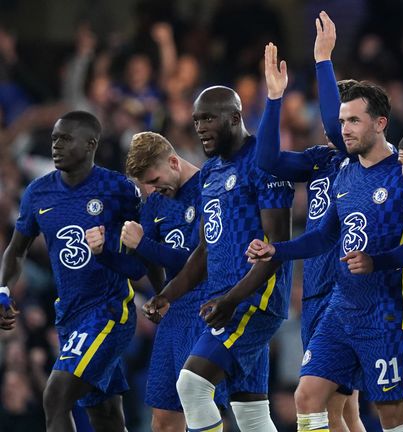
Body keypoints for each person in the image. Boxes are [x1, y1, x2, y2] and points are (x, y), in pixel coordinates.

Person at [237, 82, 403, 432]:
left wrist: (377, 261)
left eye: (353, 121)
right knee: (308, 397)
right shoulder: (343, 172)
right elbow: (324, 236)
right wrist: (276, 250)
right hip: (339, 309)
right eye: (342, 122)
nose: (343, 129)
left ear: (380, 123)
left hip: (384, 312)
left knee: (392, 415)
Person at [142, 86, 294, 432]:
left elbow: (277, 246)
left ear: (236, 117)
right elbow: (205, 249)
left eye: (209, 117)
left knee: (192, 386)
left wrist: (232, 299)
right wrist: (168, 294)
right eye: (196, 120)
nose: (200, 127)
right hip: (226, 300)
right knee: (250, 411)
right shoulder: (210, 173)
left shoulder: (264, 162)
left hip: (255, 299)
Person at [0, 110, 145, 432]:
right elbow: (16, 249)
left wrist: (163, 293)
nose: (56, 145)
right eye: (54, 139)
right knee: (104, 413)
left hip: (109, 310)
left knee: (56, 396)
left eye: (65, 139)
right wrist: (3, 291)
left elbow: (147, 241)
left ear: (91, 144)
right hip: (69, 315)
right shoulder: (38, 192)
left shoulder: (118, 189)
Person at [255, 21, 365, 431]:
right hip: (317, 294)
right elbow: (267, 160)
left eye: (346, 117)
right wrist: (274, 99)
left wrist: (323, 59)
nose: (334, 125)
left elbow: (337, 130)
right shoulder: (321, 160)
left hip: (344, 291)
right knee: (344, 410)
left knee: (316, 402)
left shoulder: (363, 164)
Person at [122, 131, 227, 431]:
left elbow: (201, 260)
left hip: (206, 307)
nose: (153, 189)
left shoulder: (210, 186)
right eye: (146, 185)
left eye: (154, 180)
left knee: (203, 408)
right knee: (164, 419)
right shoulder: (155, 203)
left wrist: (143, 244)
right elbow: (144, 262)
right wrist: (103, 251)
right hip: (174, 314)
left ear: (173, 161)